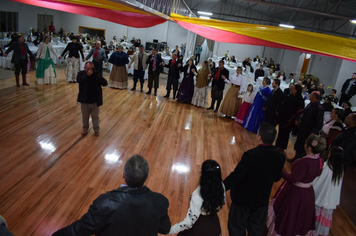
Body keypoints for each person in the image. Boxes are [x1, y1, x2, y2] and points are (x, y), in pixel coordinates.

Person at [52, 155, 171, 235]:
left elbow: (80, 230)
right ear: (146, 178)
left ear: (123, 174)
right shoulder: (159, 202)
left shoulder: (104, 204)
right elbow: (165, 229)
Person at [224, 122, 286, 236]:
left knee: (237, 227)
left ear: (259, 137)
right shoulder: (280, 157)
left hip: (242, 199)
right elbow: (277, 178)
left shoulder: (250, 155)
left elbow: (236, 176)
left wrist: (221, 187)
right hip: (261, 200)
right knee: (256, 229)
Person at [265, 135, 325, 236]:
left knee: (288, 217)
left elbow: (294, 179)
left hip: (295, 194)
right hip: (308, 193)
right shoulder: (319, 161)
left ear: (309, 147)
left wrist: (280, 171)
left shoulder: (305, 162)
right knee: (300, 219)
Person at [169, 160, 225, 236]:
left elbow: (189, 223)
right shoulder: (221, 187)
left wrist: (171, 230)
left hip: (200, 228)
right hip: (214, 226)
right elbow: (223, 202)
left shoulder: (197, 196)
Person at [313, 146, 344, 236]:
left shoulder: (326, 168)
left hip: (319, 200)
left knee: (314, 221)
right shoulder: (340, 169)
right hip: (329, 200)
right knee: (321, 223)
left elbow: (318, 183)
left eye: (329, 153)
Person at [76, 62, 108, 136]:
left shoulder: (96, 75)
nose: (90, 70)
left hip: (95, 100)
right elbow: (79, 80)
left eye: (91, 69)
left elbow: (105, 83)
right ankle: (85, 128)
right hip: (84, 100)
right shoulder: (81, 74)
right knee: (85, 116)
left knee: (95, 116)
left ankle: (96, 129)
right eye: (88, 69)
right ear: (85, 68)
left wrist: (97, 75)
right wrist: (87, 75)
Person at [291, 91, 324, 161]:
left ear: (314, 97)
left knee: (304, 146)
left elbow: (319, 122)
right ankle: (296, 157)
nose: (309, 96)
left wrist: (314, 132)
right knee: (299, 143)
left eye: (311, 95)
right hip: (302, 128)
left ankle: (301, 160)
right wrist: (298, 119)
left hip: (308, 130)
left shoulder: (319, 108)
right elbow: (303, 113)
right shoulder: (311, 104)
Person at [275, 84, 305, 151]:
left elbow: (299, 111)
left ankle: (282, 146)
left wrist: (296, 119)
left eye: (294, 88)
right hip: (284, 116)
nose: (292, 89)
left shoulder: (300, 99)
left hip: (291, 119)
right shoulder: (291, 96)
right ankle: (277, 144)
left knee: (285, 133)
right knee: (281, 131)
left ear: (297, 90)